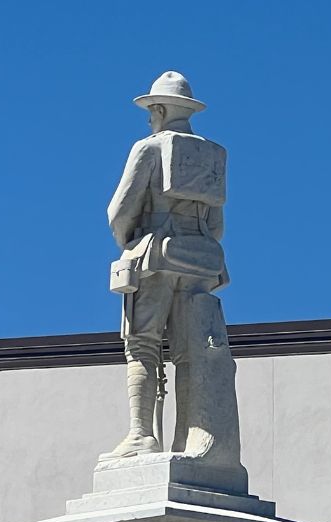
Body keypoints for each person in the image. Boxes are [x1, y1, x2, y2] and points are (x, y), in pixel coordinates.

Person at [102, 71, 242, 471]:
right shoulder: (213, 155)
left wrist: (130, 242)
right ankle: (190, 437)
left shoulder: (149, 148)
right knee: (190, 351)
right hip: (202, 260)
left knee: (142, 345)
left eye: (152, 110)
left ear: (161, 110)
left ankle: (142, 435)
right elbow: (216, 224)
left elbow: (120, 211)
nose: (150, 118)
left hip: (156, 256)